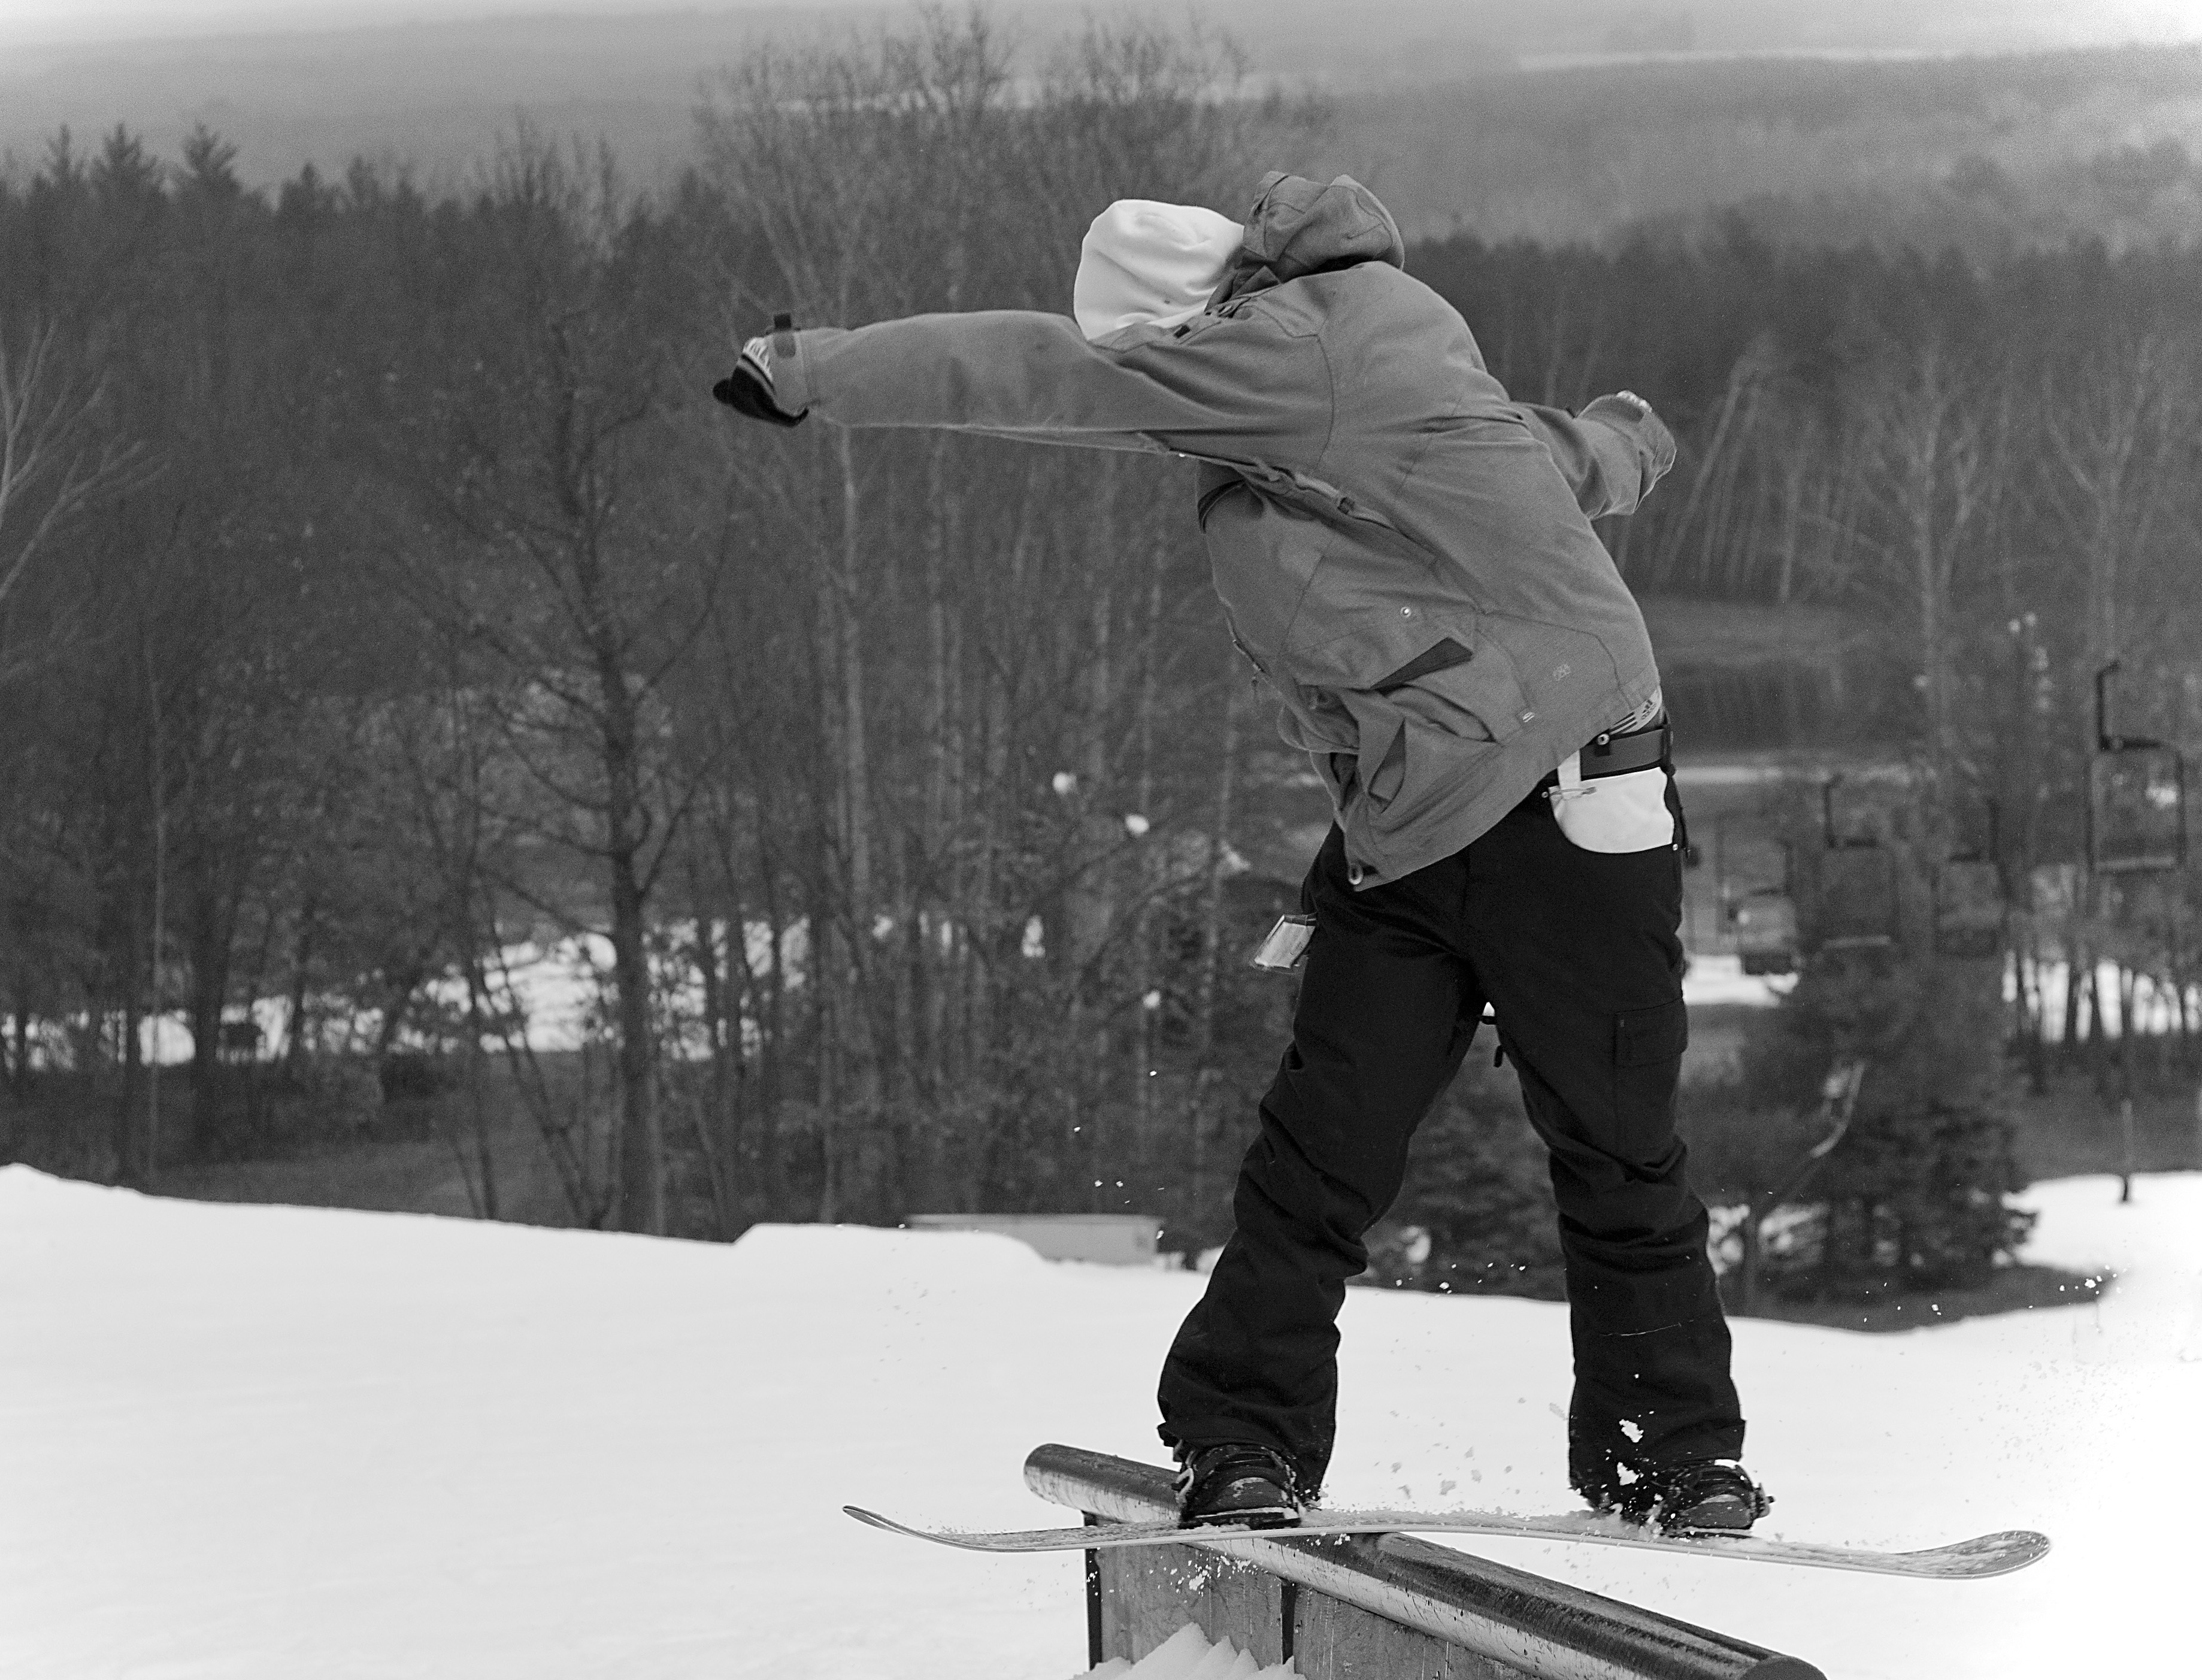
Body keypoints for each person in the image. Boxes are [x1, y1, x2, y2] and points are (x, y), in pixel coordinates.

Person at [713, 172, 1767, 1538]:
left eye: (1157, 353)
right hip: (1409, 829)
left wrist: (813, 369)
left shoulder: (1292, 355)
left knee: (1616, 1151)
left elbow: (1043, 369)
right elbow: (1548, 457)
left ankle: (1675, 1457)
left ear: (1197, 321)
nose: (1154, 387)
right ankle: (1245, 1441)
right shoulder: (1328, 385)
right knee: (1316, 1157)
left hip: (1567, 805)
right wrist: (1631, 439)